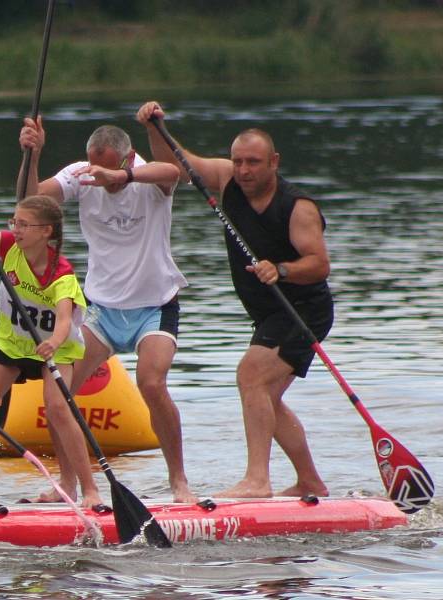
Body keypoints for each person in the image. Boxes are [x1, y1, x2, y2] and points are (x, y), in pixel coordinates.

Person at [137, 101, 333, 499]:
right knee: (266, 399)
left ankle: (257, 481)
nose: (244, 170)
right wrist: (155, 128)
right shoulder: (228, 180)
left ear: (273, 162)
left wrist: (281, 269)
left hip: (301, 311)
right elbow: (179, 164)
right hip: (268, 315)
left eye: (254, 162)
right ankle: (310, 481)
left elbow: (319, 264)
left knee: (251, 377)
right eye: (238, 161)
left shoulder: (298, 207)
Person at [17, 115, 197, 504]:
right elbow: (29, 202)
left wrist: (127, 178)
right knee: (61, 392)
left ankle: (179, 480)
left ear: (128, 159)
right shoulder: (81, 176)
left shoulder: (149, 177)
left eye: (108, 168)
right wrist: (32, 155)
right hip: (100, 309)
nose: (98, 177)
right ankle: (67, 482)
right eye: (93, 167)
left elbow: (178, 172)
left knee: (151, 383)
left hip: (155, 305)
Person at [0, 174, 105, 510]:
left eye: (24, 224)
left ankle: (89, 490)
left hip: (56, 349)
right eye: (14, 222)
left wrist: (53, 344)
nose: (16, 229)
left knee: (59, 410)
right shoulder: (8, 248)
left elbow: (62, 320)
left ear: (46, 231)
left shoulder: (61, 273)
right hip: (12, 345)